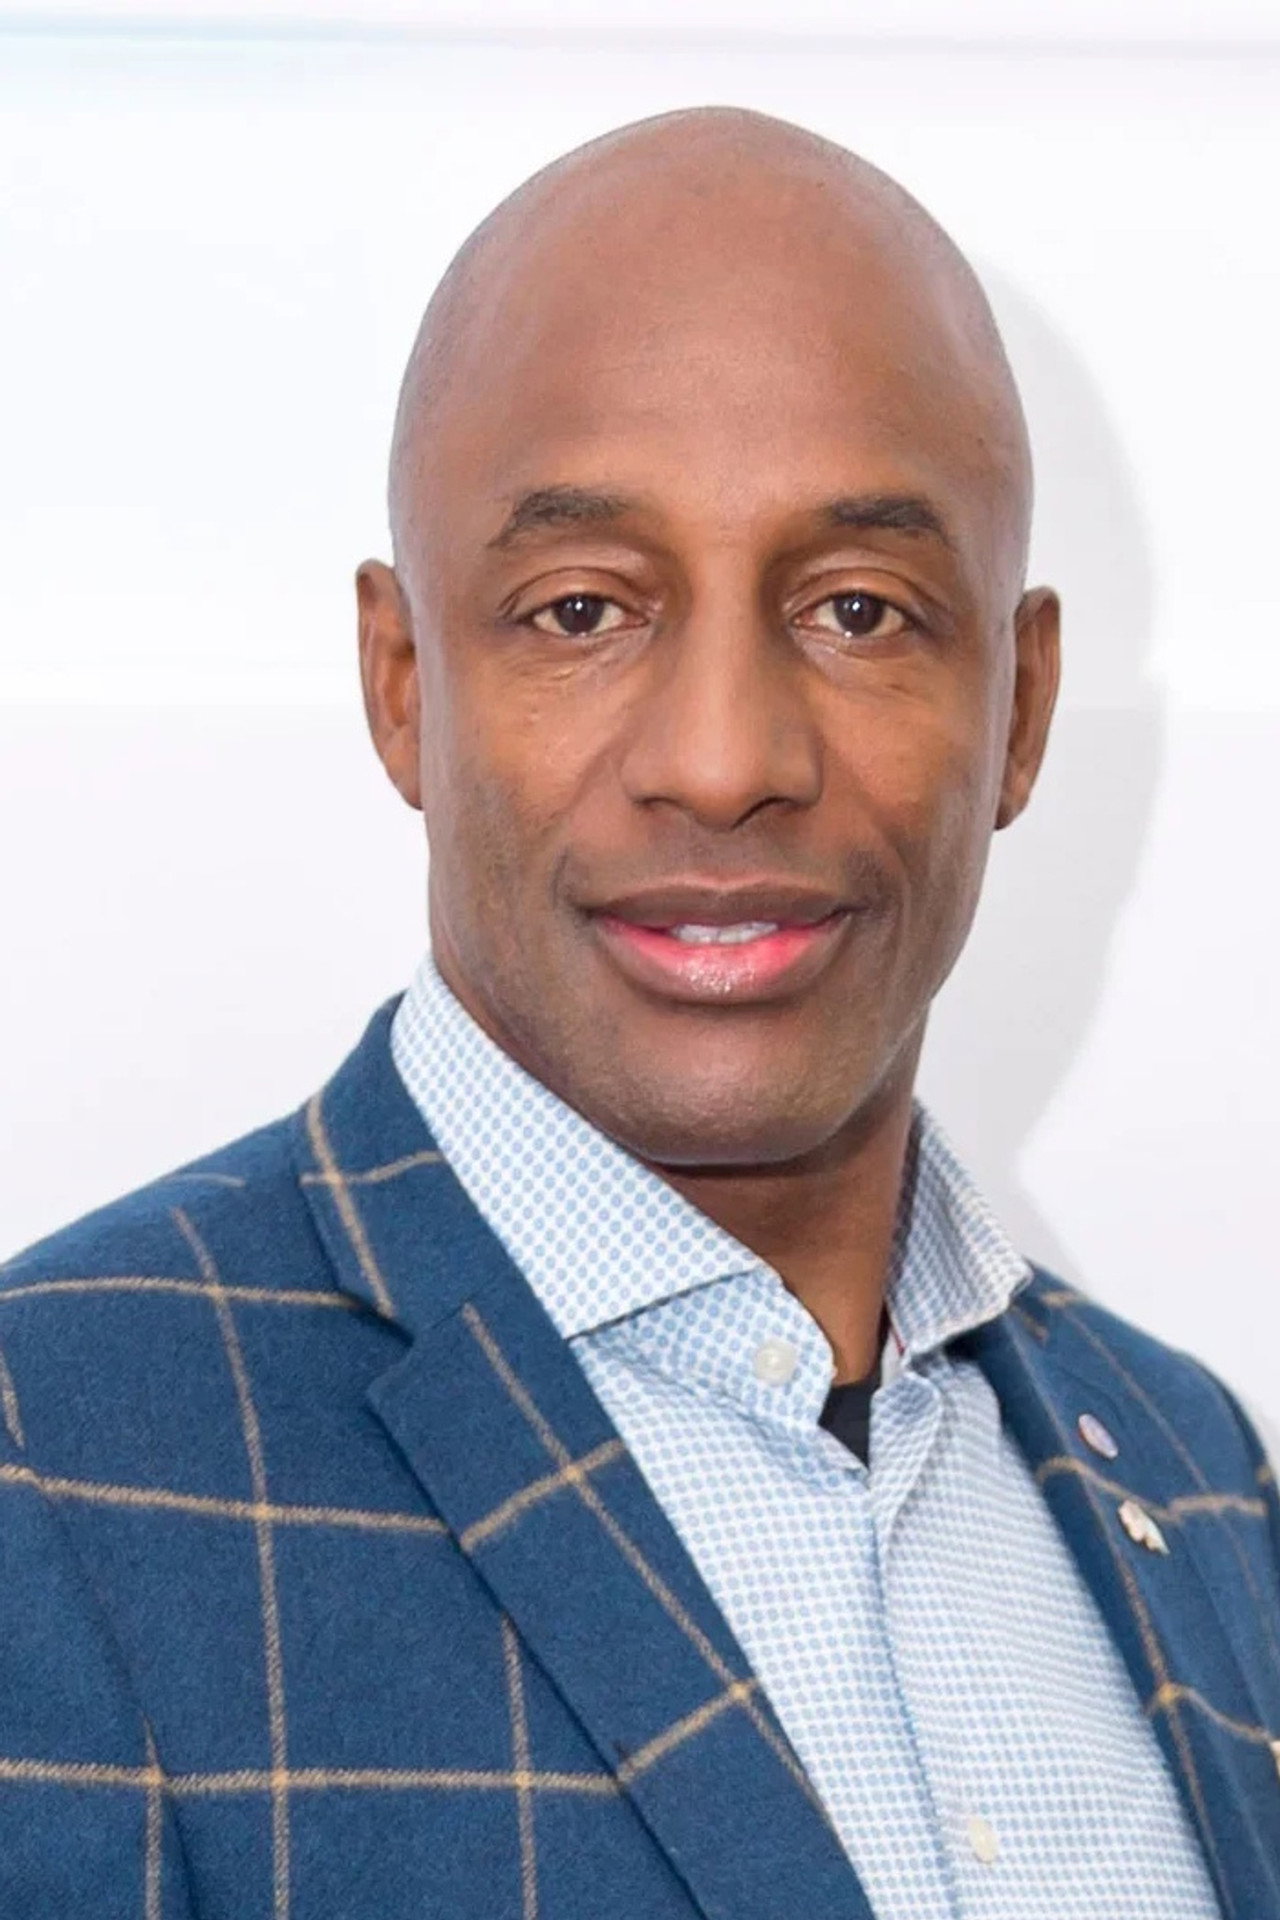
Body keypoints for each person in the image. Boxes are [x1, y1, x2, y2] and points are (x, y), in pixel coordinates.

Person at [0, 106, 1276, 1920]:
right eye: (583, 608)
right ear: (402, 683)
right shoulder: (53, 1460)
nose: (724, 760)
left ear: (1023, 707)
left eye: (859, 610)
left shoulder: (1203, 1481)